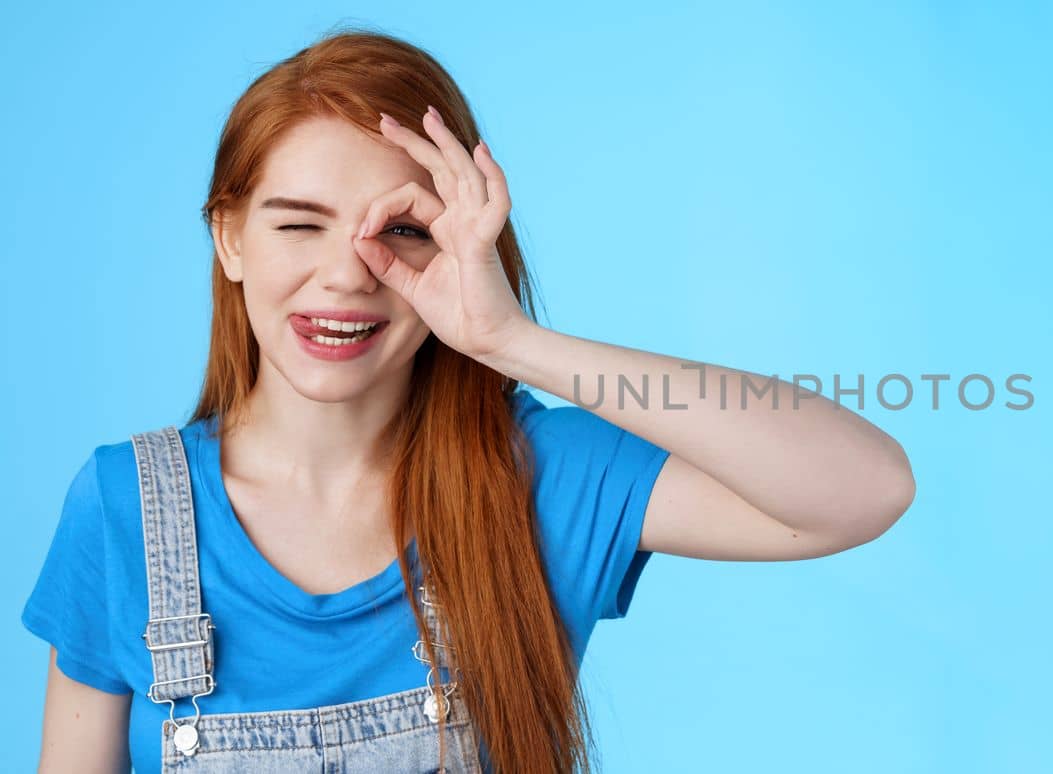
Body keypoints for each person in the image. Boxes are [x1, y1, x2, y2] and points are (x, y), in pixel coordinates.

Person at [21, 28, 915, 773]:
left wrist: (514, 342)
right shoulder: (121, 510)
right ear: (230, 239)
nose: (345, 275)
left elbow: (865, 488)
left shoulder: (542, 475)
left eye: (402, 232)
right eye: (299, 223)